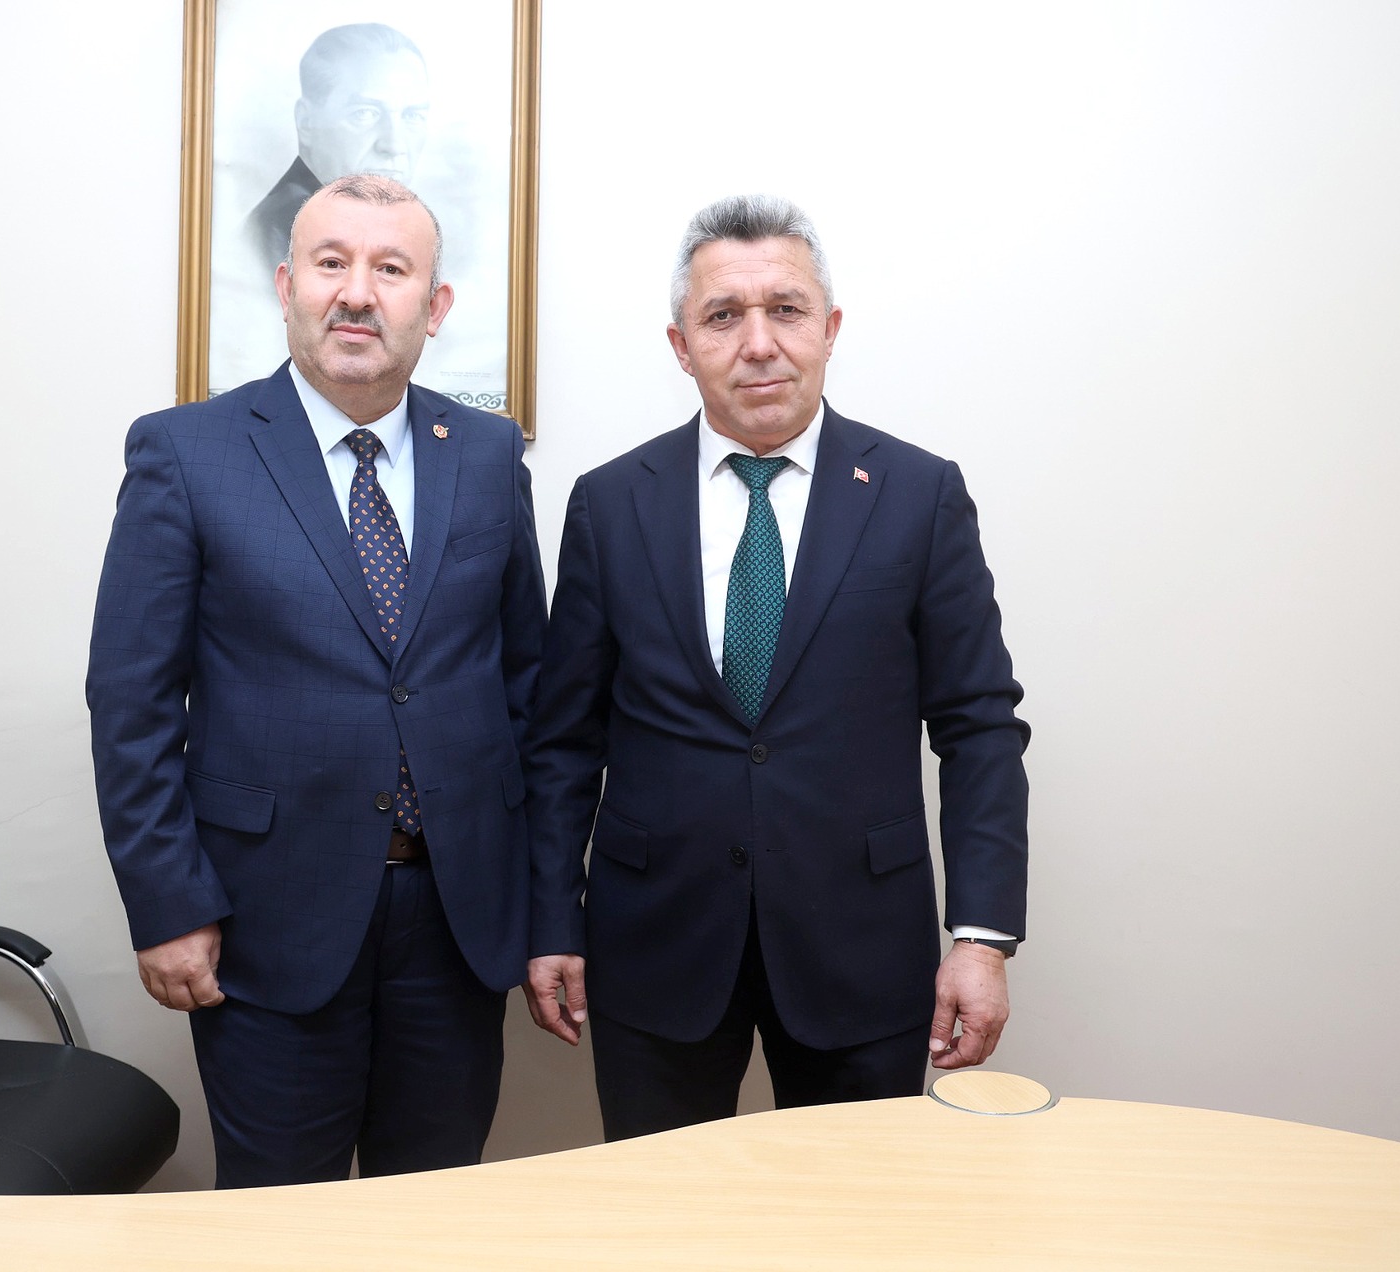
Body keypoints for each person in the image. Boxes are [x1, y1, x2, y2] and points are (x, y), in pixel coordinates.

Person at [522, 195, 1029, 1141]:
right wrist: (551, 917)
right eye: (723, 316)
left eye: (786, 310)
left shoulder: (918, 496)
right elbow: (563, 743)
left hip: (861, 944)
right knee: (661, 1209)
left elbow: (980, 729)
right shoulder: (610, 504)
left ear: (829, 329)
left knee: (859, 1209)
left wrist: (982, 938)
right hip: (656, 945)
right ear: (681, 345)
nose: (759, 343)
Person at [88, 174, 544, 1186]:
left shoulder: (484, 453)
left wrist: (543, 903)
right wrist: (167, 902)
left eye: (391, 269)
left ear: (435, 306)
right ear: (287, 285)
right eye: (331, 263)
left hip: (458, 917)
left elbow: (528, 688)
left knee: (429, 1213)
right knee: (275, 1225)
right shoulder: (186, 453)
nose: (357, 292)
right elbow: (131, 706)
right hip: (267, 917)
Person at [244, 24, 431, 273]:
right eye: (365, 114)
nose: (394, 145)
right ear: (306, 122)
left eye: (412, 116)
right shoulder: (271, 243)